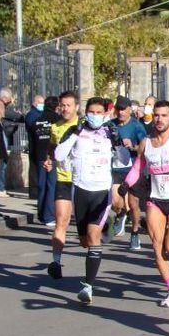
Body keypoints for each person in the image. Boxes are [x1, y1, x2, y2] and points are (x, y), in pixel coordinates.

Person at [120, 100, 169, 308]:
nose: (160, 119)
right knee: (157, 246)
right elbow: (138, 167)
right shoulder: (146, 142)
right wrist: (126, 184)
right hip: (155, 199)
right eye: (157, 115)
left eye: (164, 115)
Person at [54, 97, 124, 304]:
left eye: (98, 112)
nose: (94, 116)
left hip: (102, 191)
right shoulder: (75, 132)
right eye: (90, 112)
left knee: (94, 235)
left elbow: (124, 160)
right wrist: (75, 133)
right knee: (85, 241)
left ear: (105, 114)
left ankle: (88, 286)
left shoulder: (109, 133)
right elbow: (59, 155)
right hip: (80, 190)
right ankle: (109, 227)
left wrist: (117, 142)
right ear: (85, 112)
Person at [45, 91, 80, 280]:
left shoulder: (84, 127)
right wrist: (49, 159)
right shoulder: (55, 127)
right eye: (62, 105)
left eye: (69, 105)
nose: (65, 108)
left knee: (86, 228)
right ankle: (56, 262)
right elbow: (52, 146)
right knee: (61, 221)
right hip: (63, 179)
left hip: (83, 182)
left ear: (76, 107)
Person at [109, 95, 147, 248]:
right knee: (115, 201)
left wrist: (133, 146)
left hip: (133, 169)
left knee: (133, 204)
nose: (120, 112)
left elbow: (144, 148)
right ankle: (120, 214)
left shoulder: (137, 126)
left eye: (123, 109)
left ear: (130, 110)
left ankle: (135, 233)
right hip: (115, 167)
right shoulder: (110, 125)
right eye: (118, 109)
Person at [33, 96, 60, 227]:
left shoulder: (37, 120)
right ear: (56, 107)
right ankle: (49, 216)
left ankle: (41, 213)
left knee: (42, 185)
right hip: (52, 156)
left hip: (39, 156)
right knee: (51, 186)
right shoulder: (57, 120)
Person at [25, 95, 45, 199]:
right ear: (34, 103)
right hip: (34, 144)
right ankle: (34, 192)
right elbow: (33, 125)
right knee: (34, 169)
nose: (42, 105)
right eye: (40, 102)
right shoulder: (32, 114)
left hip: (39, 145)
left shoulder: (40, 113)